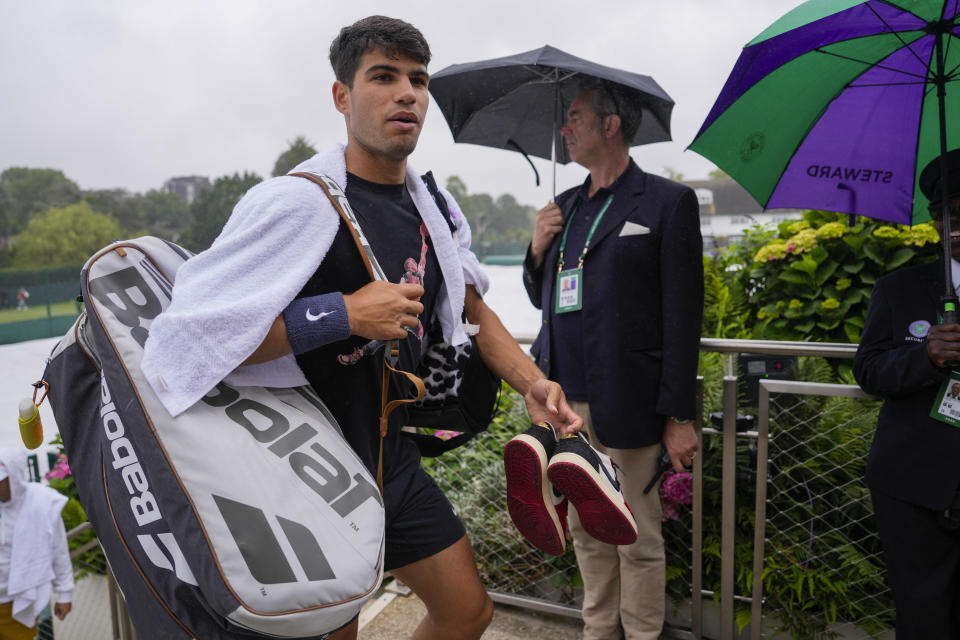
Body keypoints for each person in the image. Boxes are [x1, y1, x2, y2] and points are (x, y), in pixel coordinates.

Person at [141, 15, 581, 640]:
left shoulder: (432, 209)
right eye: (384, 77)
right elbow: (189, 347)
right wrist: (341, 314)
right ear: (342, 97)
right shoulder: (295, 204)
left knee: (467, 612)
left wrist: (533, 382)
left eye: (418, 79)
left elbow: (473, 312)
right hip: (303, 468)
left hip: (388, 452)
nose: (408, 93)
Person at [517, 81, 703, 640]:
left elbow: (682, 316)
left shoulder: (668, 202)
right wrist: (535, 248)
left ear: (611, 125)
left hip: (631, 401)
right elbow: (543, 298)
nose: (564, 130)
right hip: (565, 402)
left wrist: (678, 414)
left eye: (574, 118)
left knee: (639, 537)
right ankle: (599, 632)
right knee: (585, 530)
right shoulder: (565, 208)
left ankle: (642, 634)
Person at [854, 148, 960, 638]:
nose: (957, 227)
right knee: (922, 612)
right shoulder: (899, 289)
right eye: (949, 215)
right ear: (936, 223)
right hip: (912, 482)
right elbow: (870, 371)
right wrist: (926, 358)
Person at [0, 448, 73, 639]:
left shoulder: (42, 502)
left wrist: (64, 594)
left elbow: (59, 550)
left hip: (15, 601)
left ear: (13, 476)